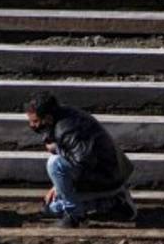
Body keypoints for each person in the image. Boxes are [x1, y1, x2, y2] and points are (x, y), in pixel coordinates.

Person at [24, 92, 137, 228]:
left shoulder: (66, 129)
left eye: (35, 121)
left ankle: (75, 215)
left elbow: (83, 164)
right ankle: (110, 203)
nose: (32, 125)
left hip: (106, 177)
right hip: (106, 173)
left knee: (54, 164)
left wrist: (57, 151)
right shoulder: (63, 116)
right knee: (52, 207)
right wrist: (57, 186)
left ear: (47, 118)